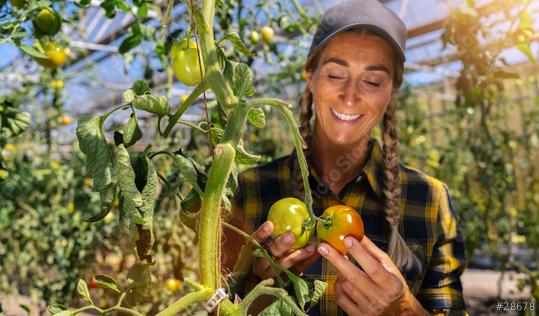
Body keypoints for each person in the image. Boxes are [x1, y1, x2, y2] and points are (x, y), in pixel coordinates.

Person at [223, 0, 467, 315]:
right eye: (337, 74)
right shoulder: (251, 190)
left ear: (392, 90)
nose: (351, 95)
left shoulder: (430, 200)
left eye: (373, 81)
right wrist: (265, 291)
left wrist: (404, 310)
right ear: (310, 76)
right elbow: (219, 301)